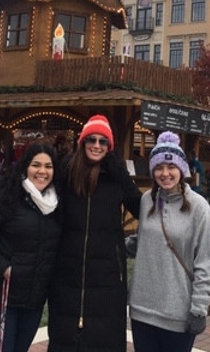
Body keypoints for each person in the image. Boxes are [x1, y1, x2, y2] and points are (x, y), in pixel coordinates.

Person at [47, 114, 142, 352]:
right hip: (67, 272)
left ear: (110, 146)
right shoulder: (66, 174)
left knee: (104, 340)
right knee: (65, 339)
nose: (97, 145)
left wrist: (120, 173)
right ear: (82, 142)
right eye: (92, 140)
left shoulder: (116, 177)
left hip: (108, 275)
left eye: (103, 141)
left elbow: (143, 209)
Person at [0, 143, 61, 352]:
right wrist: (4, 268)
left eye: (48, 166)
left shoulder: (56, 205)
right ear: (26, 166)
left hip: (31, 301)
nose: (42, 171)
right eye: (36, 165)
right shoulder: (7, 195)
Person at [126, 131, 210, 352]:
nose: (165, 173)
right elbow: (142, 241)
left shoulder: (200, 208)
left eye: (171, 167)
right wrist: (110, 245)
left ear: (182, 169)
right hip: (142, 309)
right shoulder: (147, 200)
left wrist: (198, 309)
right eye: (158, 168)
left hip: (178, 313)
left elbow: (204, 263)